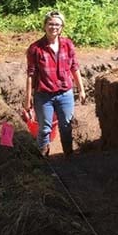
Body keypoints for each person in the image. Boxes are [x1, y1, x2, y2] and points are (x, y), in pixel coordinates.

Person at [25, 11, 87, 157]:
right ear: (45, 26)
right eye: (51, 24)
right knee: (45, 128)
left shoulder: (67, 45)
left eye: (57, 24)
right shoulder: (35, 48)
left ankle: (68, 155)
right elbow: (30, 75)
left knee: (66, 126)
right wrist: (27, 99)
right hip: (44, 95)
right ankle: (43, 158)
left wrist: (81, 89)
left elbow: (75, 68)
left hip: (65, 93)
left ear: (62, 27)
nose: (54, 27)